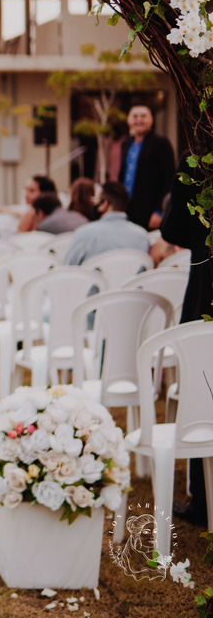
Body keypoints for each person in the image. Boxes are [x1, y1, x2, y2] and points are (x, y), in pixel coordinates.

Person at [162, 172, 213, 525]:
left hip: (206, 292)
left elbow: (172, 229)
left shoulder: (197, 160)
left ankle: (205, 500)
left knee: (202, 393)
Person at [63, 182, 150, 265]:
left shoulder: (84, 233)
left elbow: (68, 268)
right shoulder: (142, 236)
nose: (93, 203)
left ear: (104, 204)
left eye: (95, 200)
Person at [118, 103, 176, 229]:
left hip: (150, 211)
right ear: (128, 120)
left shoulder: (161, 143)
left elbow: (169, 179)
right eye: (135, 116)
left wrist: (160, 211)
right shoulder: (126, 143)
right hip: (126, 209)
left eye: (143, 116)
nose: (139, 120)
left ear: (151, 120)